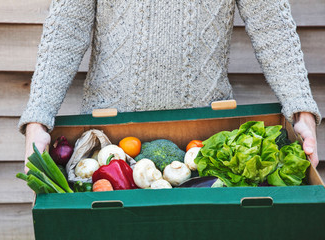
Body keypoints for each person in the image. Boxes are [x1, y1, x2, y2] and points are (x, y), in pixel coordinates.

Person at [19, 0, 321, 172]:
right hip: (108, 145)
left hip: (205, 147)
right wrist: (38, 118)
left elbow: (273, 27)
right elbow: (65, 30)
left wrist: (301, 109)